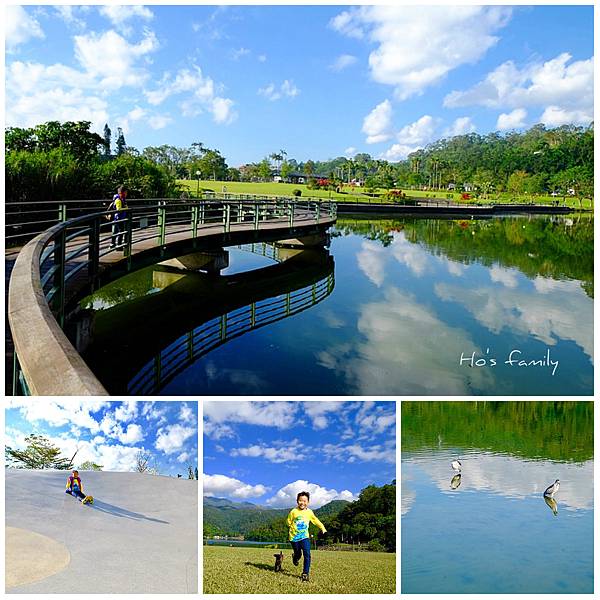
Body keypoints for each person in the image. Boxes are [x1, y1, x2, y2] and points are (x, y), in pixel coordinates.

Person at [287, 491, 326, 582]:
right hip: (294, 537)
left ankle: (305, 573)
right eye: (300, 500)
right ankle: (295, 557)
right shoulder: (293, 511)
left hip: (305, 537)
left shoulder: (309, 512)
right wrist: (292, 528)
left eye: (304, 501)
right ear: (297, 501)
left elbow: (315, 520)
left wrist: (322, 528)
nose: (302, 503)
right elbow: (288, 522)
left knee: (307, 554)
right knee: (298, 554)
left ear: (308, 502)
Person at [109, 185, 129, 249]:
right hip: (119, 218)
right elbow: (118, 209)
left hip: (118, 218)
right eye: (126, 192)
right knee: (121, 232)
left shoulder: (122, 199)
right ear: (122, 193)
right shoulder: (118, 200)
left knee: (115, 231)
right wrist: (126, 208)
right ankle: (119, 245)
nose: (126, 194)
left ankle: (112, 244)